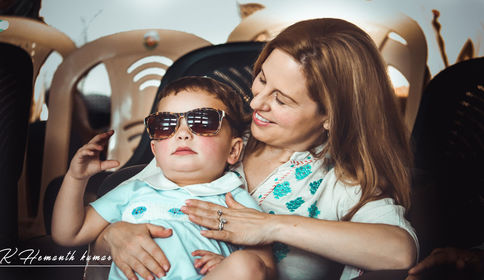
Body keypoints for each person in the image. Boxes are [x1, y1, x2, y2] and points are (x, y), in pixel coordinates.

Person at [91, 18, 418, 280]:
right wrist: (114, 236)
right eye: (261, 79)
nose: (255, 102)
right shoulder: (209, 134)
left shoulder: (342, 182)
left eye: (281, 99)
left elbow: (398, 251)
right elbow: (108, 226)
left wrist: (269, 226)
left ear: (331, 116)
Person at [51, 77, 275, 280]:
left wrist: (228, 265)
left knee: (245, 265)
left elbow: (264, 267)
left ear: (233, 151)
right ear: (155, 152)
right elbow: (69, 234)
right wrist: (75, 178)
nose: (182, 133)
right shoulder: (133, 190)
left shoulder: (235, 200)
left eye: (203, 122)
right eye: (165, 125)